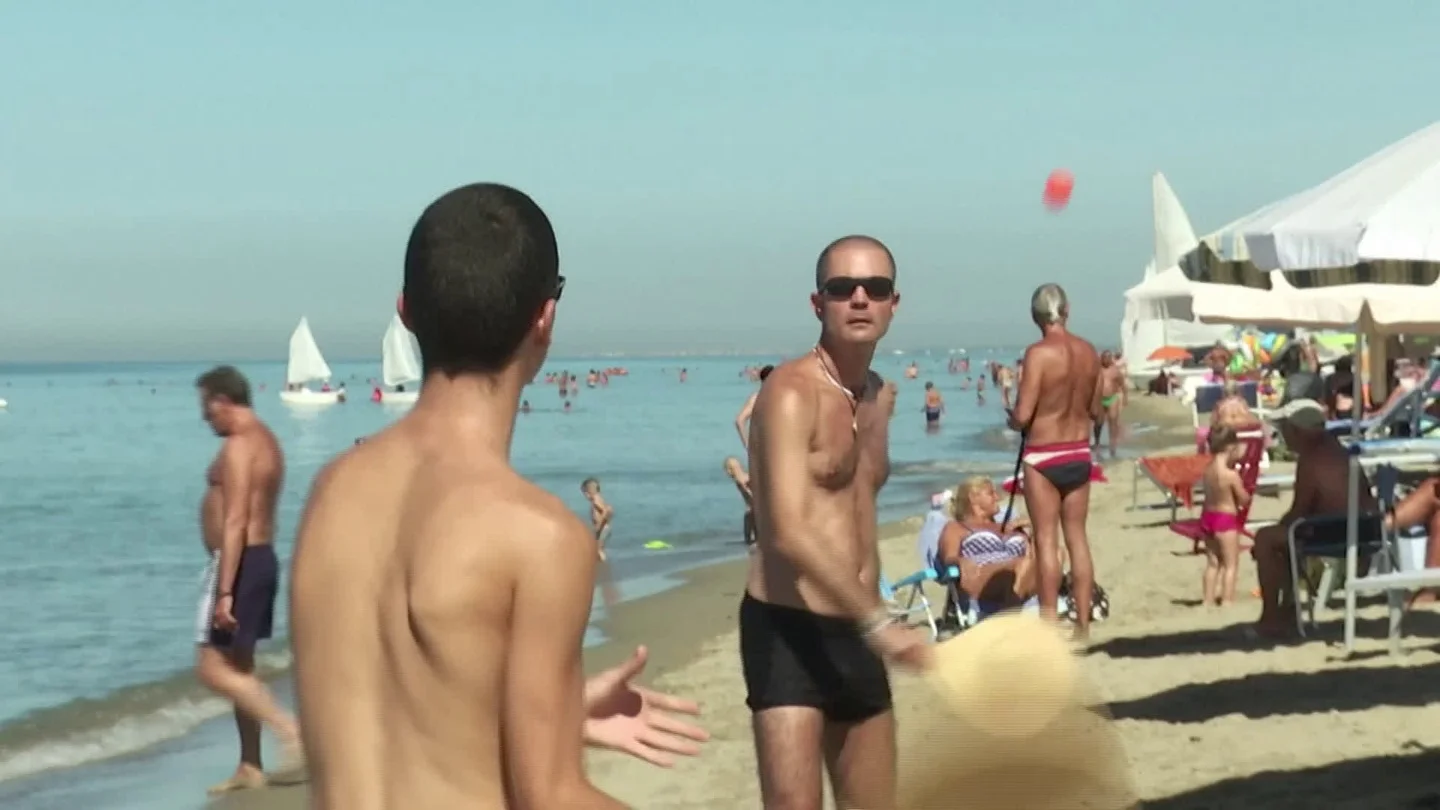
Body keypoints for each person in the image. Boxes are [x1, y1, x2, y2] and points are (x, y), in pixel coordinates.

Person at [289, 183, 707, 810]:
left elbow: (385, 706)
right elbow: (551, 798)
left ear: (406, 311)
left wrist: (559, 713)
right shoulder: (539, 537)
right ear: (545, 318)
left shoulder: (332, 492)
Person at [743, 234, 931, 810]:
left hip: (858, 628)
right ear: (817, 303)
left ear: (894, 303)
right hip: (790, 629)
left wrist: (870, 620)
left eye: (875, 288)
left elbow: (858, 498)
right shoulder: (789, 392)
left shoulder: (876, 395)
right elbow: (787, 530)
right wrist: (878, 622)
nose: (859, 298)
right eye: (842, 287)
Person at [192, 365, 302, 795]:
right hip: (257, 560)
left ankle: (289, 730)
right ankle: (250, 764)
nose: (204, 418)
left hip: (239, 564)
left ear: (222, 400)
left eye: (206, 408)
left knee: (212, 668)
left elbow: (236, 519)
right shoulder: (266, 440)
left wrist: (224, 591)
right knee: (240, 667)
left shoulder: (240, 446)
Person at [1006, 283, 1101, 638]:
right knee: (1078, 539)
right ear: (1067, 309)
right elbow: (1096, 409)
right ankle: (1083, 625)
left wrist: (1012, 418)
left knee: (1046, 540)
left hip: (1044, 453)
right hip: (1078, 450)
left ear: (1035, 317)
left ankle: (1048, 627)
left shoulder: (1037, 354)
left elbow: (1024, 414)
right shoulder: (1089, 351)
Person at [1249, 399, 1375, 638]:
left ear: (1297, 430)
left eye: (1285, 429)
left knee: (1266, 539)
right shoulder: (1340, 450)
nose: (1284, 436)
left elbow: (1300, 510)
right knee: (1283, 538)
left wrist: (1279, 528)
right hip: (1364, 531)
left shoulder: (1311, 458)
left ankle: (1271, 618)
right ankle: (1287, 610)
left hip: (1332, 534)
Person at [935, 476, 1038, 615]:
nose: (998, 498)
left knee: (1055, 555)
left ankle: (1011, 612)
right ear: (973, 498)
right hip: (983, 579)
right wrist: (961, 561)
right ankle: (1009, 616)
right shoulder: (956, 527)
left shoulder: (1011, 527)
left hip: (1023, 574)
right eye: (991, 493)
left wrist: (1035, 528)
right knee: (1022, 565)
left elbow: (1034, 557)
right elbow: (949, 557)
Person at [1199, 426, 1248, 607]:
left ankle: (1207, 600)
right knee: (1230, 564)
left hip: (1208, 517)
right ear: (1230, 447)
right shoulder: (1230, 475)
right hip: (1225, 519)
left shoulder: (1207, 470)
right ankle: (1227, 600)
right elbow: (1243, 499)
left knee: (1213, 563)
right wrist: (1246, 493)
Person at [1093, 350, 1126, 459]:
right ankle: (1097, 442)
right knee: (1099, 422)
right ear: (1101, 358)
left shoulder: (1115, 371)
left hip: (1112, 398)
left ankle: (1113, 445)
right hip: (1100, 399)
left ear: (1111, 359)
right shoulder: (1097, 370)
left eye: (1108, 357)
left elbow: (1122, 385)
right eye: (1104, 357)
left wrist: (1125, 397)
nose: (1106, 360)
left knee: (1113, 422)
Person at [734, 364, 776, 449]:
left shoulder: (756, 398)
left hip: (761, 447)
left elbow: (739, 421)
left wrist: (748, 446)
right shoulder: (778, 398)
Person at [724, 456, 757, 548]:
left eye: (727, 469)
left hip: (753, 510)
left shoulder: (740, 481)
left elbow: (749, 493)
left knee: (749, 538)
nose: (727, 473)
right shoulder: (746, 476)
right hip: (755, 509)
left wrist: (754, 506)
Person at [582, 477, 615, 561]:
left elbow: (605, 511)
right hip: (604, 527)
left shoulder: (596, 501)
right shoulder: (599, 499)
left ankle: (603, 562)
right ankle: (600, 561)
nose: (585, 497)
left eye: (585, 494)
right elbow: (609, 510)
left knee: (598, 549)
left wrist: (599, 525)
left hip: (602, 528)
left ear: (589, 492)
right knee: (599, 547)